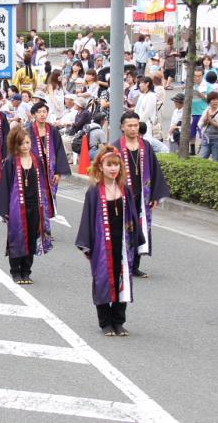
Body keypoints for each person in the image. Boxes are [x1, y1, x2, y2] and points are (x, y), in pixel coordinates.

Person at [75, 146, 145, 336]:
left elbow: (132, 216)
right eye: (109, 165)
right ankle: (105, 322)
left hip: (123, 243)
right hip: (101, 243)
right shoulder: (94, 192)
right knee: (103, 280)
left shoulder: (125, 190)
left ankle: (119, 320)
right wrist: (87, 245)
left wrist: (136, 240)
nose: (113, 169)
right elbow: (87, 218)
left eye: (116, 165)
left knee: (123, 278)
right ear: (100, 167)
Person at [0, 126, 54, 284]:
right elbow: (5, 185)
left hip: (35, 204)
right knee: (17, 237)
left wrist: (46, 206)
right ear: (15, 145)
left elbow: (44, 183)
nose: (26, 146)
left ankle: (27, 270)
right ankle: (15, 271)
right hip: (17, 206)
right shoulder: (11, 161)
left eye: (27, 142)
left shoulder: (37, 160)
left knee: (32, 237)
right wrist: (5, 210)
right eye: (22, 143)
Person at [112, 112, 170, 278]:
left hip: (142, 196)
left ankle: (135, 265)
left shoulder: (146, 146)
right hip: (122, 196)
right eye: (129, 125)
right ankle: (122, 263)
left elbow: (155, 171)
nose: (133, 128)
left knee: (140, 229)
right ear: (122, 127)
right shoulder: (116, 148)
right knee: (123, 229)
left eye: (136, 125)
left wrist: (154, 195)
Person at [27, 102, 70, 213]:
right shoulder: (28, 131)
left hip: (50, 169)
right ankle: (37, 225)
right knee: (35, 197)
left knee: (50, 196)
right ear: (34, 114)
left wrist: (58, 172)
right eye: (39, 112)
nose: (42, 114)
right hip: (33, 169)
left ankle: (46, 226)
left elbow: (59, 151)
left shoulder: (53, 131)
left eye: (44, 112)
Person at [198, 91, 218, 161]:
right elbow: (200, 125)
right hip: (206, 139)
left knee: (215, 161)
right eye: (213, 100)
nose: (215, 101)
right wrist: (205, 121)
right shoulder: (206, 111)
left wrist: (210, 120)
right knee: (201, 159)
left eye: (217, 99)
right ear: (209, 101)